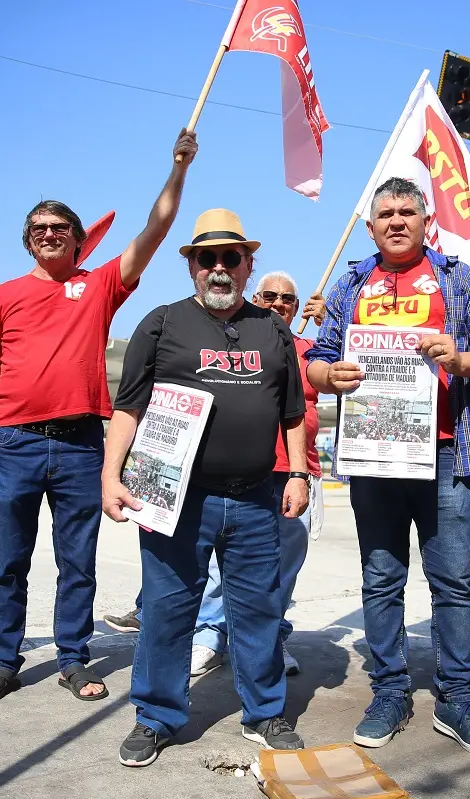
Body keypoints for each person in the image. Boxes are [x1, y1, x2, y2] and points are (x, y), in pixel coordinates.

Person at [0, 129, 198, 706]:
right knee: (8, 561)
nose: (49, 234)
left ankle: (72, 658)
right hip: (14, 442)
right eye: (38, 229)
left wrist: (179, 168)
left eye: (59, 227)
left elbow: (156, 229)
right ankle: (3, 661)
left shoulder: (100, 286)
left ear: (76, 238)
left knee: (76, 561)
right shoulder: (4, 294)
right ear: (28, 243)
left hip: (82, 442)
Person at [307, 177, 470, 758]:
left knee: (452, 582)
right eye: (386, 214)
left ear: (427, 222)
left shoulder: (458, 278)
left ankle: (457, 697)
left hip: (448, 454)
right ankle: (390, 692)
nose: (397, 221)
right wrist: (331, 377)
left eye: (407, 212)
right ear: (370, 226)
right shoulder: (351, 282)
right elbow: (318, 359)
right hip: (374, 457)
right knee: (381, 579)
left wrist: (460, 358)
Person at [104, 209, 310, 767]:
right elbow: (129, 407)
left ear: (248, 265)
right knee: (169, 612)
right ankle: (156, 717)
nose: (219, 268)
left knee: (258, 612)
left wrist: (297, 473)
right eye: (207, 258)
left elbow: (292, 411)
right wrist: (110, 474)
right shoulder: (162, 322)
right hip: (175, 498)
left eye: (231, 258)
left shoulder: (273, 329)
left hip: (256, 497)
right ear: (192, 266)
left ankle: (265, 712)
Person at [103, 278, 326, 680]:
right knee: (198, 586)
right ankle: (206, 641)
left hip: (290, 476)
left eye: (288, 298)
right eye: (269, 296)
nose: (279, 304)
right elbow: (131, 403)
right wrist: (112, 472)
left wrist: (332, 330)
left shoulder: (303, 349)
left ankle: (271, 651)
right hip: (203, 485)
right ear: (255, 299)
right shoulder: (177, 326)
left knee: (276, 578)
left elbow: (322, 387)